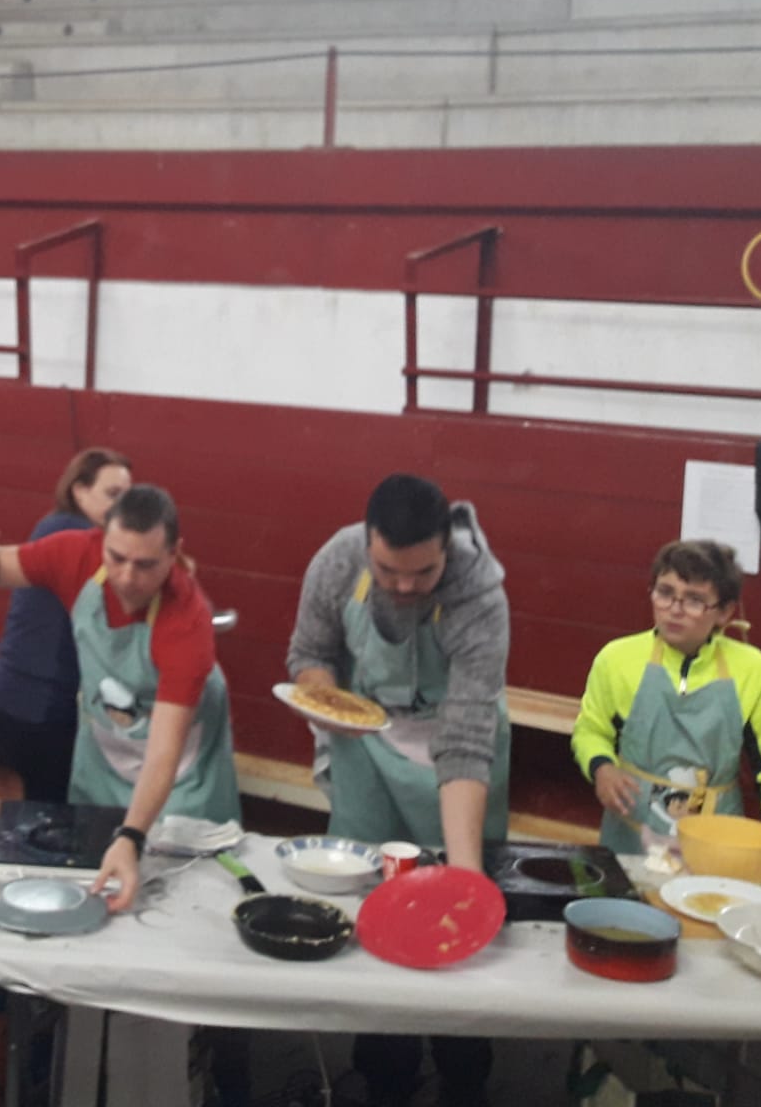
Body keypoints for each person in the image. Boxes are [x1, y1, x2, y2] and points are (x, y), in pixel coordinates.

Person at [286, 474, 509, 1107]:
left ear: (448, 548)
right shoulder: (336, 560)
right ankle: (384, 1074)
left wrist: (465, 880)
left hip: (459, 767)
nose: (406, 586)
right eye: (388, 571)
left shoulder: (481, 597)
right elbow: (309, 652)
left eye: (423, 572)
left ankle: (465, 1075)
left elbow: (466, 738)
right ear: (368, 542)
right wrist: (322, 692)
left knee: (456, 919)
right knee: (371, 913)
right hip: (369, 758)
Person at [0, 484, 237, 914]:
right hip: (105, 744)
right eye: (116, 557)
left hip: (180, 765)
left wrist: (131, 837)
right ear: (101, 537)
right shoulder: (75, 554)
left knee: (180, 887)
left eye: (145, 565)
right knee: (88, 871)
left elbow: (163, 753)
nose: (126, 577)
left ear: (175, 553)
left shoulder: (187, 622)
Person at [573, 538, 761, 892]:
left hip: (715, 844)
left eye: (694, 600)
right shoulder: (617, 659)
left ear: (724, 612)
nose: (675, 608)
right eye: (665, 592)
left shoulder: (752, 670)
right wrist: (601, 767)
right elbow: (589, 730)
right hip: (631, 834)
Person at [0, 447, 132, 804]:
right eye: (112, 495)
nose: (122, 508)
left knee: (46, 802)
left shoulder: (54, 525)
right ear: (79, 491)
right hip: (40, 708)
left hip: (13, 699)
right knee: (57, 811)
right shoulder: (79, 537)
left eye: (128, 498)